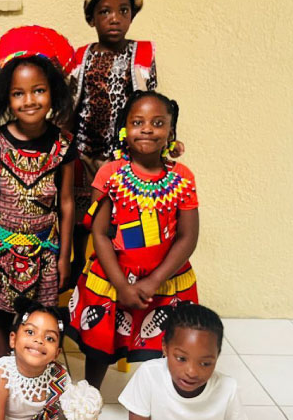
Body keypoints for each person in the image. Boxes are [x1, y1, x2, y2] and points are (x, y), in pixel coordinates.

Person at [67, 91, 199, 389]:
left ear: (171, 131)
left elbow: (188, 237)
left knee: (170, 347)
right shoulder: (110, 174)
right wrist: (121, 285)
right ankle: (89, 398)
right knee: (99, 347)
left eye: (158, 123)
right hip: (112, 277)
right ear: (124, 129)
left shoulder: (183, 178)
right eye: (138, 122)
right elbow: (100, 234)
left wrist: (154, 281)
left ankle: (165, 400)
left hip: (165, 280)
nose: (148, 129)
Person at [69, 0, 183, 283]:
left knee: (122, 214)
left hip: (122, 154)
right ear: (91, 18)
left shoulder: (141, 55)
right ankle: (79, 264)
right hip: (84, 149)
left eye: (123, 11)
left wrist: (167, 142)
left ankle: (122, 266)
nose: (115, 18)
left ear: (132, 16)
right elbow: (70, 103)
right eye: (105, 12)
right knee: (82, 214)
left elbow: (154, 104)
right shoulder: (82, 56)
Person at [0, 26, 77, 357]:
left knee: (38, 319)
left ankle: (34, 373)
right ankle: (1, 371)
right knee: (1, 315)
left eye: (39, 91)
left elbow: (66, 203)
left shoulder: (64, 144)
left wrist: (64, 256)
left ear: (53, 93)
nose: (29, 100)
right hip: (2, 250)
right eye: (18, 93)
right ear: (6, 98)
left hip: (45, 252)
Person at [119, 303, 247, 420]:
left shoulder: (228, 389)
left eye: (205, 363)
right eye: (181, 359)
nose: (192, 372)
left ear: (217, 355)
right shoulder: (149, 375)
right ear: (165, 347)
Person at [0, 298, 71, 420]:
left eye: (49, 338)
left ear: (56, 354)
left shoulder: (60, 376)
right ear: (13, 340)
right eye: (30, 332)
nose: (39, 340)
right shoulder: (2, 376)